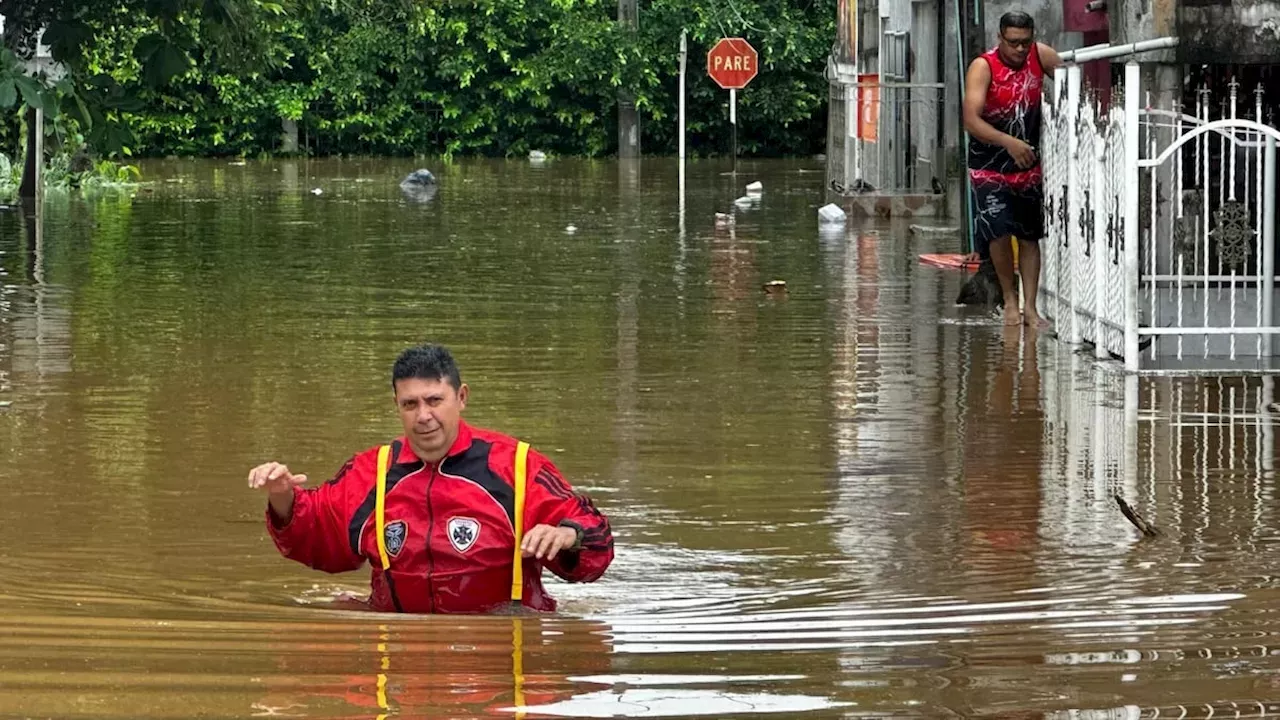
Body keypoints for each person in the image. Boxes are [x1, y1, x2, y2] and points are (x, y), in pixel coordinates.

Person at [246, 343, 615, 614]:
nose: (423, 416)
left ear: (462, 397)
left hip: (500, 658)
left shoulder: (516, 466)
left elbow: (594, 540)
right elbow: (317, 535)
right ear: (397, 406)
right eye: (410, 404)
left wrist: (567, 535)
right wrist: (282, 497)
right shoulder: (372, 471)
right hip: (399, 662)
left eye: (434, 400)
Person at [963, 11, 1062, 327]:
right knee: (999, 232)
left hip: (1028, 164)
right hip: (989, 166)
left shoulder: (1041, 56)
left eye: (1025, 42)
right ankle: (1010, 299)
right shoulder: (984, 67)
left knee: (1030, 235)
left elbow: (1073, 86)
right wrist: (1008, 142)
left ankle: (1031, 308)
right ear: (1000, 38)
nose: (1020, 50)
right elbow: (971, 120)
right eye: (1013, 43)